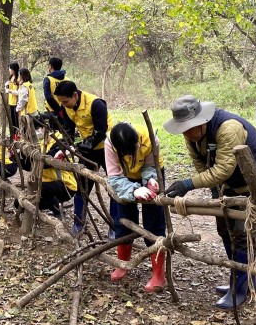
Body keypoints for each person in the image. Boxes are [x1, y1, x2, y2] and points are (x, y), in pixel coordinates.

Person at [163, 95, 256, 310]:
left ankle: (241, 288)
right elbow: (200, 162)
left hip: (255, 181)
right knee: (225, 229)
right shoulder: (191, 135)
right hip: (227, 183)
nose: (186, 133)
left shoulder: (228, 128)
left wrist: (189, 184)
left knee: (242, 232)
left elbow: (224, 168)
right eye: (183, 128)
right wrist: (214, 187)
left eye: (189, 128)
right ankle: (242, 277)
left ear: (202, 121)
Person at [106, 122, 165, 289]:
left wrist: (150, 181)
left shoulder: (151, 139)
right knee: (123, 219)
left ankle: (159, 275)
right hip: (123, 178)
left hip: (151, 171)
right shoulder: (109, 144)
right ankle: (123, 263)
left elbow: (150, 166)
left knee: (154, 223)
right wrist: (133, 191)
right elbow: (114, 176)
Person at [53, 80, 114, 236]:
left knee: (114, 186)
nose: (64, 104)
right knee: (82, 186)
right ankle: (79, 223)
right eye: (61, 102)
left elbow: (100, 132)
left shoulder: (96, 104)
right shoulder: (66, 107)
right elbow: (69, 132)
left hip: (107, 147)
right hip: (88, 147)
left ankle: (115, 226)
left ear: (75, 95)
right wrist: (66, 149)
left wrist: (80, 147)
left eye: (66, 101)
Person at [43, 57, 69, 126]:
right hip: (66, 110)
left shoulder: (48, 79)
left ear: (51, 66)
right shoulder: (67, 80)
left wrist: (58, 110)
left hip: (51, 111)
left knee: (53, 134)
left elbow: (48, 97)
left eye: (48, 65)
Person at [6, 62, 20, 134]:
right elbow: (7, 89)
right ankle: (14, 135)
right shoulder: (11, 77)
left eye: (10, 68)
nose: (9, 70)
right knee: (12, 121)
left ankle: (18, 135)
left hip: (16, 102)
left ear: (14, 69)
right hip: (11, 102)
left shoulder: (19, 78)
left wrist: (10, 91)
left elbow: (19, 92)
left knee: (17, 120)